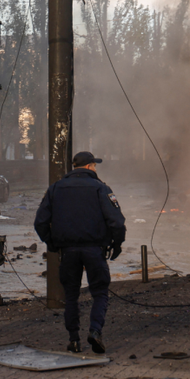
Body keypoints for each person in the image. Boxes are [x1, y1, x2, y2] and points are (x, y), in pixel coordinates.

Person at [34, 151, 126, 354]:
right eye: (94, 165)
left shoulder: (55, 188)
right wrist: (117, 244)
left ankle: (74, 340)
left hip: (67, 251)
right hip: (95, 249)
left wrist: (52, 243)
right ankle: (95, 331)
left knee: (71, 295)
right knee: (100, 292)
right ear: (90, 166)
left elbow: (40, 222)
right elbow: (117, 222)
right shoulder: (101, 188)